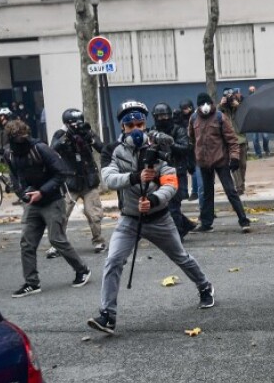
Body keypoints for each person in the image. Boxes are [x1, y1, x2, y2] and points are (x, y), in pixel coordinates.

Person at [88, 102, 216, 335]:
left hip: (159, 218)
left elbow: (171, 183)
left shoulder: (159, 147)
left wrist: (155, 200)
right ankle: (108, 315)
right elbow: (109, 179)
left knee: (181, 257)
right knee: (113, 260)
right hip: (129, 219)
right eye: (130, 125)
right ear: (122, 126)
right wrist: (136, 177)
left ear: (145, 123)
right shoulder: (112, 150)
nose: (136, 129)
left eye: (140, 124)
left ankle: (205, 286)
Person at [4, 119, 91, 298]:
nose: (22, 142)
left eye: (24, 137)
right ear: (11, 139)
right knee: (27, 243)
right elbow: (14, 178)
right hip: (32, 202)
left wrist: (42, 192)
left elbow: (62, 172)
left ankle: (82, 270)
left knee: (56, 239)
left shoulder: (40, 148)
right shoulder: (9, 153)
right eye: (18, 139)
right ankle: (31, 283)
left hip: (52, 199)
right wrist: (23, 194)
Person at [187, 92, 251, 233]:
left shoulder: (219, 117)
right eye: (202, 104)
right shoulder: (193, 119)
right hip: (203, 162)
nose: (205, 107)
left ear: (211, 103)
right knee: (207, 193)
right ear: (198, 106)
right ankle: (206, 223)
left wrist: (234, 157)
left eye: (208, 103)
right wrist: (192, 159)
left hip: (220, 160)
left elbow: (232, 139)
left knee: (230, 191)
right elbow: (192, 139)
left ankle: (244, 221)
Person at [47, 108, 106, 256]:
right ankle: (57, 245)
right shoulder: (60, 134)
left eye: (78, 122)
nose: (76, 126)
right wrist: (66, 138)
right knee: (61, 214)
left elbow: (102, 148)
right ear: (66, 124)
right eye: (73, 124)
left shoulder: (86, 131)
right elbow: (52, 150)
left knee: (93, 213)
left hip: (89, 180)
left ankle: (99, 241)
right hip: (69, 182)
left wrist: (90, 137)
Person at [151, 102, 196, 238]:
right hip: (159, 172)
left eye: (165, 115)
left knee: (173, 205)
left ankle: (177, 235)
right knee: (164, 205)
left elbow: (185, 148)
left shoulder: (178, 130)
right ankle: (186, 224)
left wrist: (170, 143)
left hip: (177, 171)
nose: (163, 119)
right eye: (159, 116)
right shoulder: (154, 130)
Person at [218, 88, 248, 194]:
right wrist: (221, 105)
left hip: (241, 139)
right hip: (229, 141)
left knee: (243, 165)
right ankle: (239, 187)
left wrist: (238, 106)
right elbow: (214, 116)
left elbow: (246, 115)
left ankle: (241, 184)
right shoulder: (222, 110)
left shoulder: (239, 107)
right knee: (234, 164)